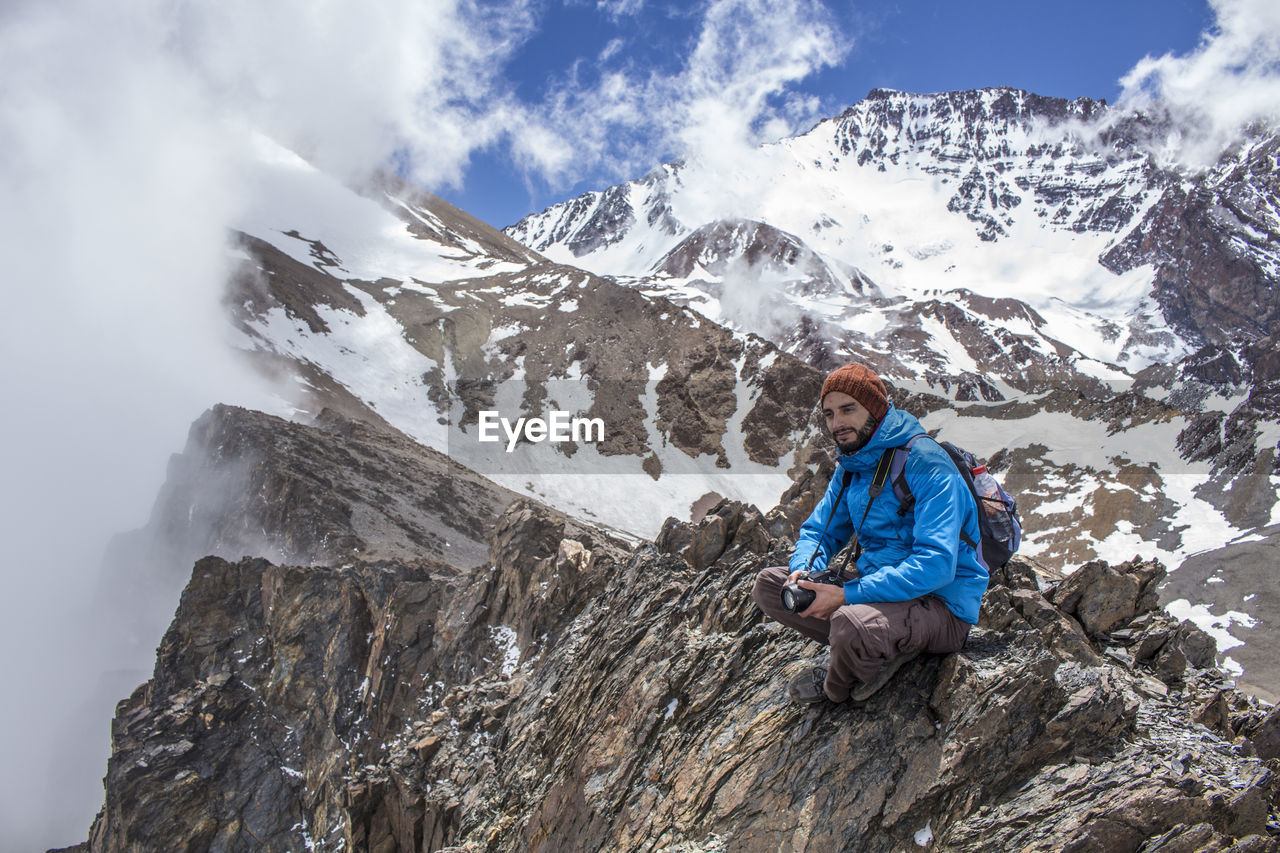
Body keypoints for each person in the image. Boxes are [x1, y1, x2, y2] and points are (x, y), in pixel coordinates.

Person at [752, 362, 988, 704]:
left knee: (850, 624)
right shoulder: (854, 465)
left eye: (848, 410)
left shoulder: (927, 464)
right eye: (830, 414)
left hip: (942, 608)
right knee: (771, 587)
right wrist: (804, 570)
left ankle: (838, 688)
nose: (838, 423)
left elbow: (936, 565)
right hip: (879, 593)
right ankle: (880, 642)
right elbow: (820, 531)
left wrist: (847, 596)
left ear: (875, 410)